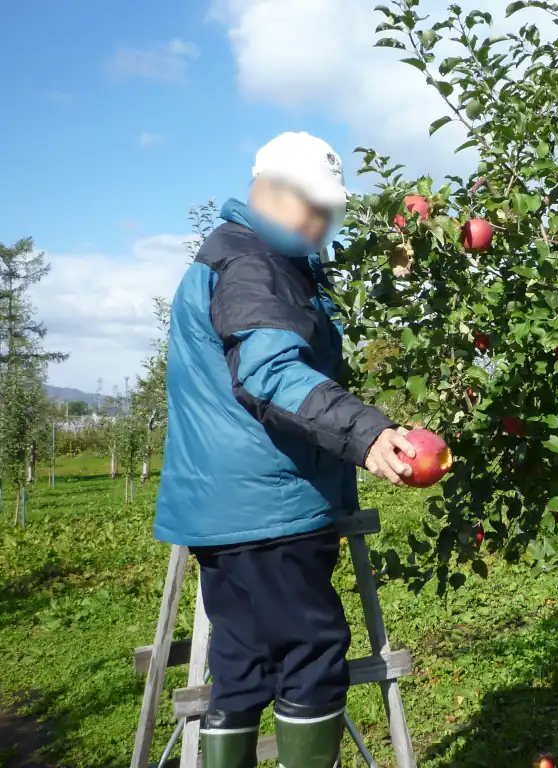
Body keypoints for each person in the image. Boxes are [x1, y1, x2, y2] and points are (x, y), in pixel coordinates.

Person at [154, 131, 417, 768]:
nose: (326, 221)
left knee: (240, 670)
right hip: (270, 506)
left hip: (227, 512)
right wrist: (367, 432)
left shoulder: (244, 256)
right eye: (315, 205)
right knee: (311, 657)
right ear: (270, 192)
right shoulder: (253, 263)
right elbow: (274, 373)